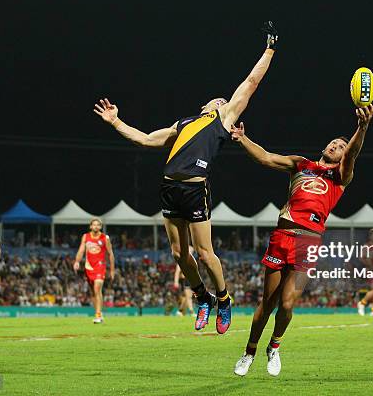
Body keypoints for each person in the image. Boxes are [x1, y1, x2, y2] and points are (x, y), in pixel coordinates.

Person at [93, 21, 279, 334]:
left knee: (205, 254)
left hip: (194, 190)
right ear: (204, 105)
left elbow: (250, 82)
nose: (221, 101)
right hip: (169, 188)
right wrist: (116, 122)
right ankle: (202, 297)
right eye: (217, 99)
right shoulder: (185, 123)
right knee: (179, 254)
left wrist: (270, 49)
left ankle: (223, 298)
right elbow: (147, 139)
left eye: (224, 100)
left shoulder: (224, 118)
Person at [232, 105, 373, 376]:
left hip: (307, 246)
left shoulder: (340, 177)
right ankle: (249, 352)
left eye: (341, 146)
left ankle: (273, 347)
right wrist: (242, 139)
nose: (335, 145)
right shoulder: (301, 165)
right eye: (334, 142)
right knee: (267, 303)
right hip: (281, 238)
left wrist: (363, 127)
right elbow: (265, 158)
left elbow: (354, 152)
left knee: (287, 304)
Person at [73, 218, 115, 323]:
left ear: (100, 227)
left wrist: (112, 270)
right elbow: (81, 249)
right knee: (93, 292)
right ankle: (98, 313)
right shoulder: (86, 237)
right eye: (94, 225)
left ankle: (98, 315)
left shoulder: (105, 238)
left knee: (97, 289)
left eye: (98, 225)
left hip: (100, 266)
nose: (96, 227)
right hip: (89, 267)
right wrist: (77, 261)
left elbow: (110, 254)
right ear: (90, 226)